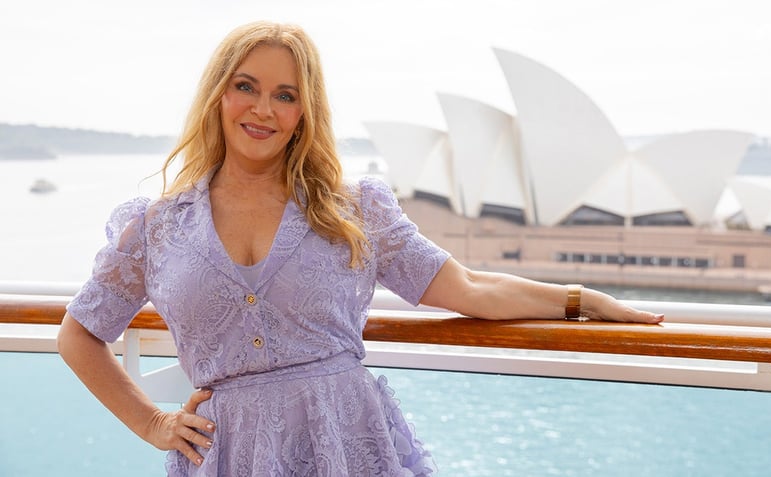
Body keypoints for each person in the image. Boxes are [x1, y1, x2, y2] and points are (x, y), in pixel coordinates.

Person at [57, 20, 664, 476]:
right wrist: (153, 422)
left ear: (305, 112)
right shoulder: (157, 226)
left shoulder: (352, 211)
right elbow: (80, 333)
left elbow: (469, 288)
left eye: (286, 95)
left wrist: (582, 300)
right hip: (229, 454)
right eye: (246, 86)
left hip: (347, 443)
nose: (263, 109)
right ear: (218, 94)